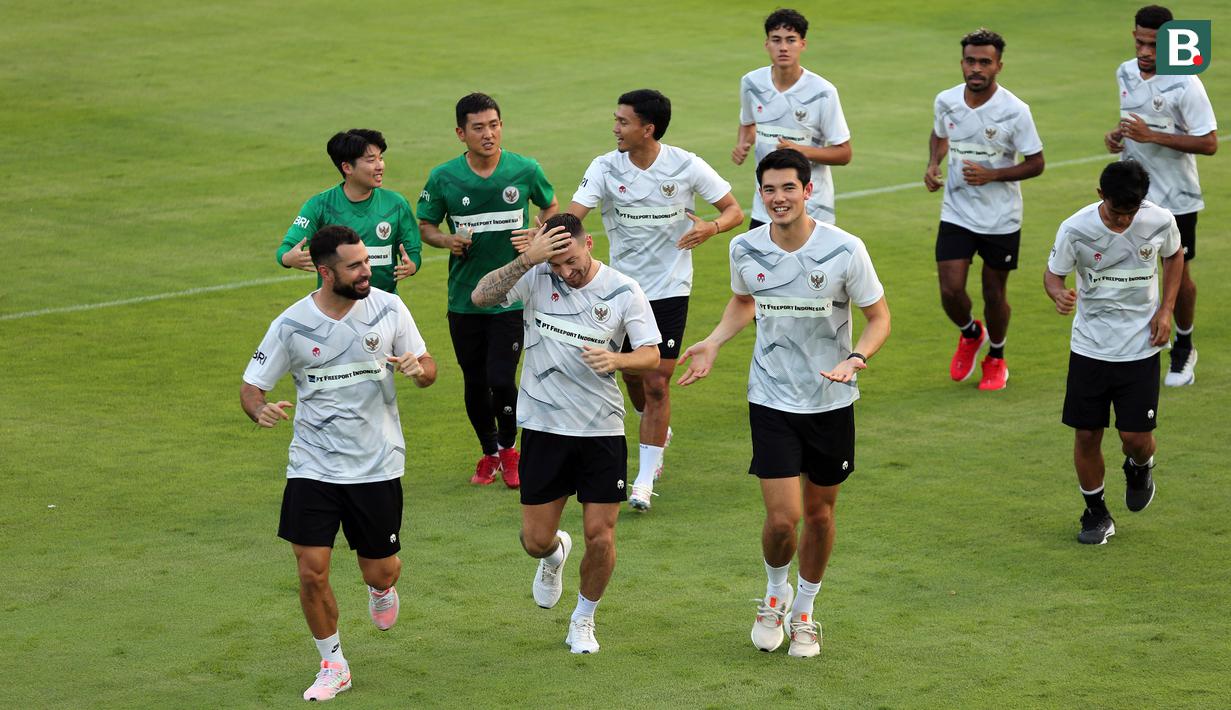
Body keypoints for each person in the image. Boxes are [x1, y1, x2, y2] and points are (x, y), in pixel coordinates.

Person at [678, 149, 890, 658]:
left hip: (831, 399)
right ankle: (775, 595)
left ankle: (807, 612)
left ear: (808, 190)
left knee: (818, 515)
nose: (778, 198)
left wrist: (856, 357)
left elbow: (879, 317)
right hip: (771, 397)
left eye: (788, 188)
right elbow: (745, 300)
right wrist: (713, 341)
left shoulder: (845, 249)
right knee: (782, 519)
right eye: (769, 190)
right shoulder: (746, 249)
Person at [241, 225, 437, 700]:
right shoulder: (291, 324)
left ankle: (381, 589)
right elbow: (252, 385)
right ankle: (333, 662)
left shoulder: (389, 307)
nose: (367, 271)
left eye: (367, 262)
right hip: (313, 464)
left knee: (381, 570)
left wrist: (418, 370)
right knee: (311, 568)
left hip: (376, 464)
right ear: (326, 272)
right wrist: (259, 408)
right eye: (355, 266)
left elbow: (429, 369)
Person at [471, 213, 661, 654]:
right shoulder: (536, 276)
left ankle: (583, 619)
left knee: (601, 534)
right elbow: (481, 297)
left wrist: (619, 361)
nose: (565, 272)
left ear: (589, 243)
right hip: (544, 426)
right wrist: (526, 261)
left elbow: (651, 355)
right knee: (535, 540)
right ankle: (554, 555)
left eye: (571, 260)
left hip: (600, 429)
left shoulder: (623, 290)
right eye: (555, 263)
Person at [570, 89, 743, 511]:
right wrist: (545, 239)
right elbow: (574, 215)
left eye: (623, 122)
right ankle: (656, 431)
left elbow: (734, 210)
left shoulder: (685, 164)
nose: (615, 128)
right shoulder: (605, 167)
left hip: (669, 290)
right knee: (631, 377)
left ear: (647, 129)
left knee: (657, 382)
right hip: (621, 292)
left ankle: (644, 480)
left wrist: (711, 228)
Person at [418, 93, 558, 487]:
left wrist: (537, 232)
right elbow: (426, 226)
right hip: (464, 298)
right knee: (474, 381)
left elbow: (551, 206)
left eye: (494, 125)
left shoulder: (525, 169)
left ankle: (510, 450)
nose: (488, 134)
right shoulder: (443, 177)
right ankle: (489, 451)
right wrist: (448, 241)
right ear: (461, 133)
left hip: (510, 298)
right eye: (478, 127)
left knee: (501, 378)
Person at [1044, 161, 1182, 545]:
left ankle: (1140, 466)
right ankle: (1095, 512)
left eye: (1130, 213)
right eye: (1117, 213)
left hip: (1140, 346)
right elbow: (1053, 274)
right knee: (1087, 433)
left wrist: (1166, 309)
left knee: (1136, 437)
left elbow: (1174, 256)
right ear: (1100, 194)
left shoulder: (1159, 220)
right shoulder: (1076, 229)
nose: (1123, 222)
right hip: (1090, 346)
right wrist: (1058, 294)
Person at [923, 29, 1044, 391]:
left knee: (994, 293)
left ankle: (996, 357)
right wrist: (933, 164)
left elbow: (1036, 162)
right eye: (971, 61)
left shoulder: (1015, 111)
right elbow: (939, 133)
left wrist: (994, 175)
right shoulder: (946, 100)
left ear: (998, 66)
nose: (976, 69)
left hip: (1000, 218)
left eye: (984, 62)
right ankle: (970, 333)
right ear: (962, 63)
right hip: (957, 211)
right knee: (950, 291)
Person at [1104, 5, 1218, 387]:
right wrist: (1117, 137)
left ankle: (1184, 346)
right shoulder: (1123, 71)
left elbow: (1209, 142)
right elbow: (1135, 124)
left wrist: (1152, 137)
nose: (1145, 51)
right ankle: (1141, 341)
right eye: (1139, 41)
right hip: (1135, 194)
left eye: (1153, 44)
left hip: (1177, 197)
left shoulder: (1185, 81)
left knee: (1178, 272)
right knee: (1133, 269)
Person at [732, 8, 851, 229]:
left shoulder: (823, 92)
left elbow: (844, 153)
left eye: (791, 40)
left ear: (802, 44)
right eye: (776, 40)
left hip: (812, 208)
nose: (783, 47)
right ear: (767, 44)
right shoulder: (751, 83)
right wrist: (743, 142)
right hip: (766, 206)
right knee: (759, 263)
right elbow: (748, 122)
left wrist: (800, 151)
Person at [277, 129, 422, 294]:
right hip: (335, 307)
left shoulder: (397, 204)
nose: (379, 166)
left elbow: (413, 252)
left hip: (383, 308)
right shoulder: (319, 206)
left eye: (380, 158)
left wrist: (412, 265)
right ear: (347, 167)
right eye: (371, 160)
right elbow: (286, 248)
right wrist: (287, 258)